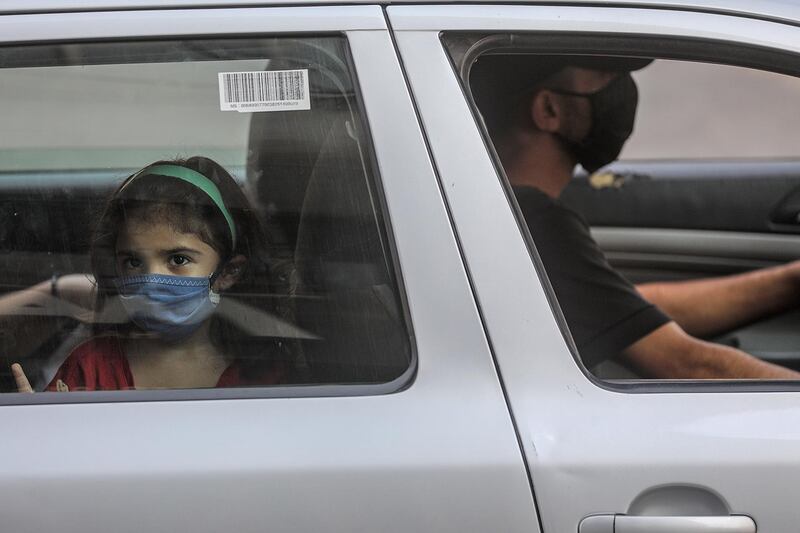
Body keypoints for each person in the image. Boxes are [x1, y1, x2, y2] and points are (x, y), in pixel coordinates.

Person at [470, 54, 800, 379]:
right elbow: (690, 364)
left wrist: (789, 282)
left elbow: (632, 309)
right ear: (549, 109)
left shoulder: (496, 209)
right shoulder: (533, 225)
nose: (622, 90)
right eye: (605, 77)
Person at [11, 156, 289, 392]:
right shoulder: (89, 366)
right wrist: (39, 418)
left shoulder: (262, 379)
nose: (150, 279)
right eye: (133, 262)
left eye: (178, 259)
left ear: (228, 272)